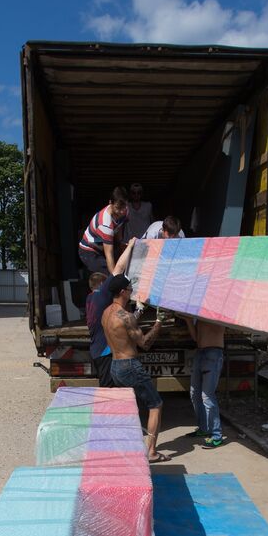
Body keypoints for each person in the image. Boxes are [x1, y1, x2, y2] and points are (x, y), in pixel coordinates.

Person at [102, 275, 166, 463]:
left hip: (114, 365)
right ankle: (151, 452)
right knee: (155, 405)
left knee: (131, 408)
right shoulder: (127, 316)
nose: (132, 292)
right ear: (122, 292)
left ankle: (129, 447)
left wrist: (138, 312)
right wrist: (159, 322)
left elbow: (123, 327)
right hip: (129, 365)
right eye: (130, 289)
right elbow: (145, 343)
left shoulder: (106, 313)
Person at [86, 241, 137, 388]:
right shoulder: (102, 295)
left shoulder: (90, 298)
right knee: (109, 392)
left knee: (111, 389)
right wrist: (130, 246)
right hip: (103, 352)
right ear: (103, 285)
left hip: (97, 350)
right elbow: (119, 268)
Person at [183, 316, 226, 448]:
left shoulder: (218, 311)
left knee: (207, 395)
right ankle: (203, 428)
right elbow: (196, 338)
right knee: (194, 393)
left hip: (214, 352)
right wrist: (188, 320)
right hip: (200, 352)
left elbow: (218, 327)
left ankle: (217, 435)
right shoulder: (199, 314)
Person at [78, 187, 128, 276]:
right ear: (110, 203)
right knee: (108, 276)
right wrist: (115, 279)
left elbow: (119, 231)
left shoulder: (126, 211)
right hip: (90, 251)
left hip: (105, 245)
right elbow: (109, 255)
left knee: (123, 266)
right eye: (118, 208)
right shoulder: (105, 224)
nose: (121, 211)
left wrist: (121, 245)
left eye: (123, 207)